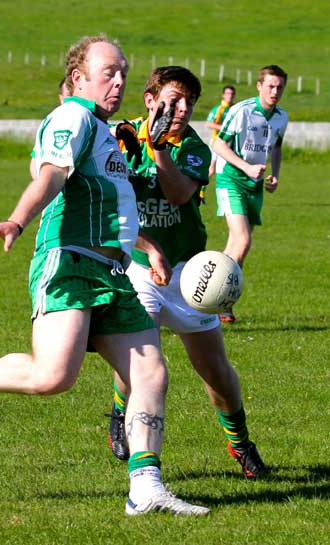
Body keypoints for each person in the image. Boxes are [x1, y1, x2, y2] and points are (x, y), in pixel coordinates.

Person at [0, 35, 210, 517]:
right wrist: (18, 220)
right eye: (109, 72)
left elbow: (112, 208)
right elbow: (51, 177)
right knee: (52, 376)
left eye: (124, 71)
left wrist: (148, 248)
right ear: (79, 77)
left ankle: (145, 486)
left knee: (150, 371)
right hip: (69, 262)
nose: (120, 80)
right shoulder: (74, 117)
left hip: (112, 270)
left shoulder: (105, 132)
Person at [108, 66, 268, 480]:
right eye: (174, 99)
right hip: (140, 271)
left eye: (189, 102)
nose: (182, 109)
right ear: (149, 100)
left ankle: (240, 443)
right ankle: (120, 412)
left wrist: (160, 147)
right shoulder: (120, 138)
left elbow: (178, 193)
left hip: (189, 275)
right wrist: (146, 247)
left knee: (216, 371)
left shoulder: (193, 147)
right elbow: (110, 207)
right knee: (141, 362)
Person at [213, 65, 288, 323]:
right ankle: (219, 299)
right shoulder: (241, 111)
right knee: (242, 241)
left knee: (237, 246)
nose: (274, 91)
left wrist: (275, 174)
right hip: (231, 178)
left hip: (254, 184)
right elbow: (218, 144)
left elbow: (276, 147)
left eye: (279, 87)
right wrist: (246, 167)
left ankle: (217, 297)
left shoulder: (281, 117)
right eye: (270, 86)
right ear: (259, 86)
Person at [205, 85, 236, 178]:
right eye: (227, 93)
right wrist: (223, 128)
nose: (230, 96)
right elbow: (208, 123)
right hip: (217, 141)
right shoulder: (218, 109)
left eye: (232, 94)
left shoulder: (235, 108)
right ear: (223, 95)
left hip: (231, 143)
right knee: (212, 169)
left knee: (229, 168)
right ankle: (200, 189)